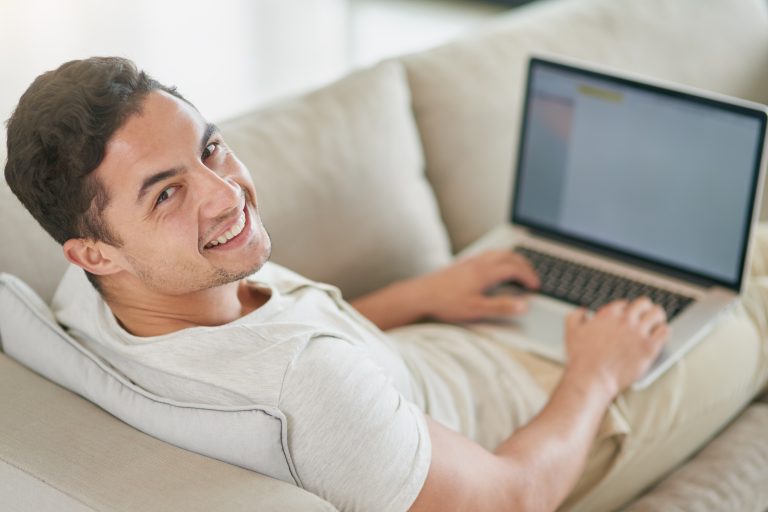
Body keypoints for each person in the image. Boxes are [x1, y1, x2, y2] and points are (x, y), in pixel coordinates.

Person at [5, 57, 767, 512]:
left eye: (211, 147)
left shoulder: (94, 301)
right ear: (93, 252)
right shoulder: (310, 389)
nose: (224, 192)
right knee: (747, 298)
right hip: (553, 427)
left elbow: (280, 344)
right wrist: (597, 373)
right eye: (166, 192)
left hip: (459, 352)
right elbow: (511, 499)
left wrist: (424, 293)